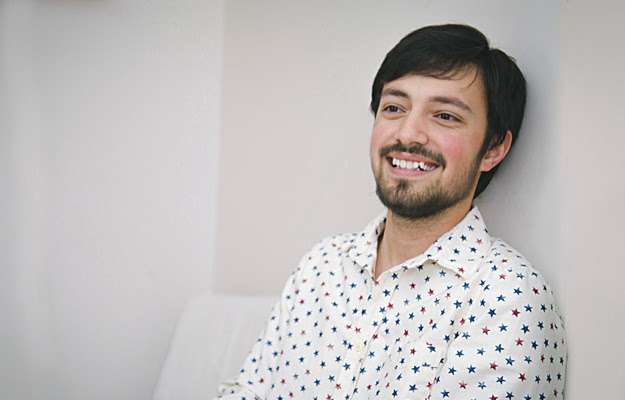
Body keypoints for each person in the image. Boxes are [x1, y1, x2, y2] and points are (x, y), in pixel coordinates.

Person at [217, 23, 566, 400]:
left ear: (493, 148)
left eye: (445, 115)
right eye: (394, 108)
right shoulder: (320, 266)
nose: (408, 134)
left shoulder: (506, 296)